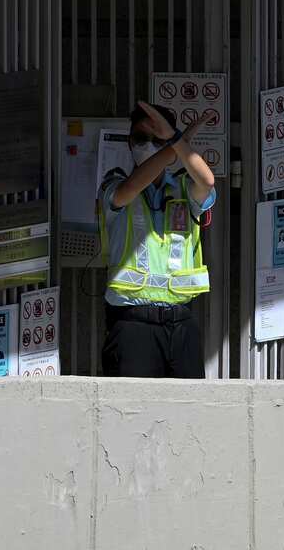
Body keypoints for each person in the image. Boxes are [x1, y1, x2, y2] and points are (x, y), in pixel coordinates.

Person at [97, 101, 216, 378]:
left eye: (155, 139)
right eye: (140, 138)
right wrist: (176, 143)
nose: (146, 145)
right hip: (132, 325)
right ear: (129, 143)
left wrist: (176, 141)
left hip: (181, 324)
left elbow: (208, 182)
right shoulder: (114, 185)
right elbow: (130, 189)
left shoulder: (185, 187)